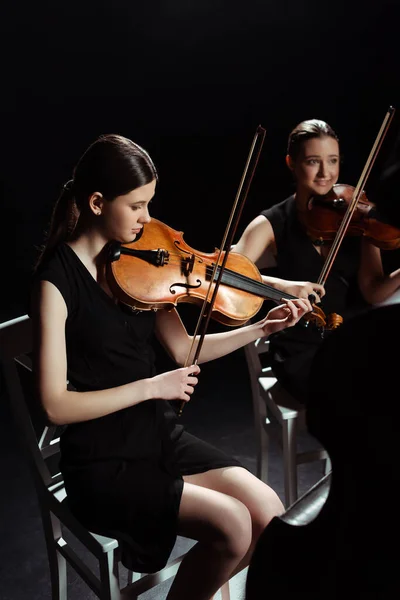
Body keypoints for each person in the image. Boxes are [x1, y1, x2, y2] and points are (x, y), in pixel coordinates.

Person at [30, 133, 311, 600]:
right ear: (98, 202)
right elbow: (55, 406)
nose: (147, 219)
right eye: (137, 206)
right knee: (234, 525)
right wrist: (152, 387)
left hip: (154, 436)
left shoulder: (142, 263)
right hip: (103, 461)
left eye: (149, 204)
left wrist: (261, 330)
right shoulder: (54, 284)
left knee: (267, 512)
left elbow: (184, 350)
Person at [234, 118, 400, 403]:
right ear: (291, 163)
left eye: (333, 161)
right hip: (302, 351)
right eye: (313, 161)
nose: (326, 173)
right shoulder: (271, 224)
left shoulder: (356, 216)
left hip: (356, 342)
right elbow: (228, 275)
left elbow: (373, 291)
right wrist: (283, 285)